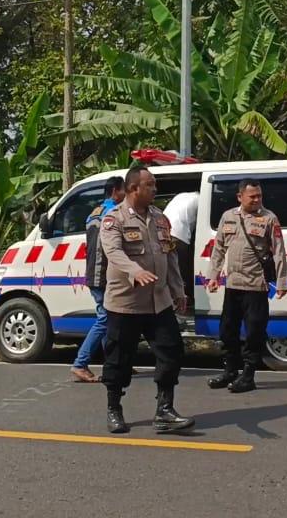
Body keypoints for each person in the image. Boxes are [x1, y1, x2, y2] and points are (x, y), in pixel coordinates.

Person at [99, 166, 194, 435]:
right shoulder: (113, 219)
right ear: (133, 189)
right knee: (118, 359)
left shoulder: (160, 219)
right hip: (125, 302)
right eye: (150, 185)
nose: (155, 189)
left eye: (154, 184)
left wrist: (178, 289)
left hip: (158, 301)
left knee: (172, 350)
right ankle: (114, 408)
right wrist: (135, 270)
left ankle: (164, 410)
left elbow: (170, 256)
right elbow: (113, 252)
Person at [205, 179, 287, 393]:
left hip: (256, 286)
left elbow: (278, 251)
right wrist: (213, 275)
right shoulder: (228, 217)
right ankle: (230, 371)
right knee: (227, 331)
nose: (257, 199)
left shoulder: (269, 218)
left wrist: (281, 281)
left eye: (259, 195)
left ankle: (248, 376)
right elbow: (219, 248)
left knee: (254, 333)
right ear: (240, 197)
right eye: (253, 196)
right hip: (233, 286)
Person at [71, 177, 125, 383]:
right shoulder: (112, 214)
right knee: (105, 319)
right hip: (102, 274)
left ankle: (113, 362)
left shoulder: (93, 213)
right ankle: (80, 363)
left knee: (109, 319)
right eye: (123, 191)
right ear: (114, 192)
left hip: (93, 271)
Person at [161, 190, 199, 311]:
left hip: (163, 232)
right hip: (179, 235)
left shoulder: (181, 196)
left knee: (170, 269)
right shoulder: (199, 199)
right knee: (180, 270)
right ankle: (182, 303)